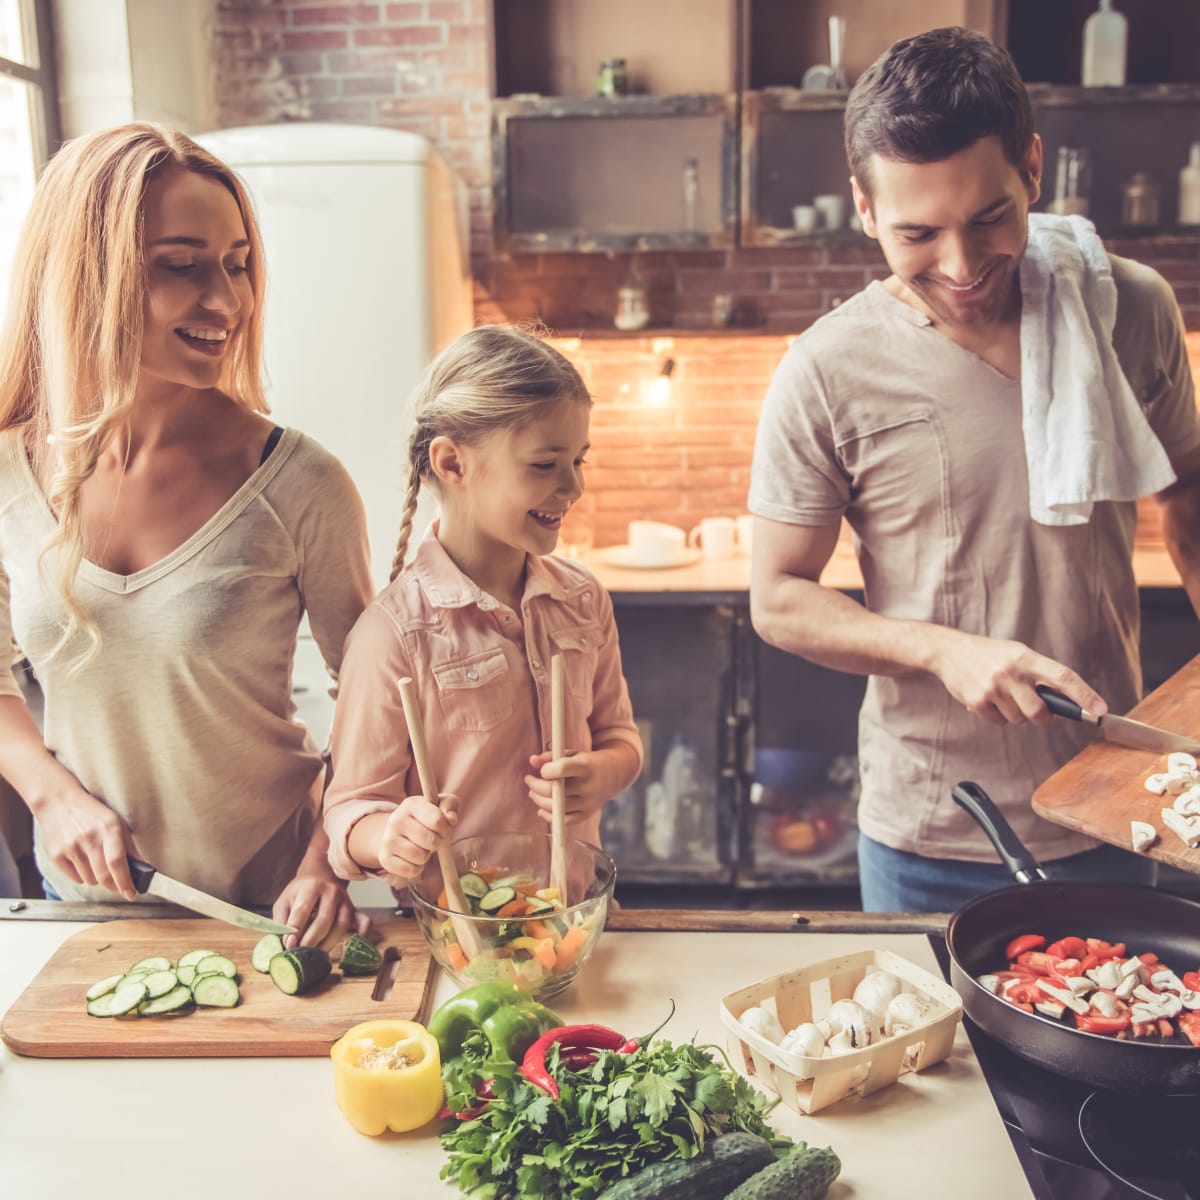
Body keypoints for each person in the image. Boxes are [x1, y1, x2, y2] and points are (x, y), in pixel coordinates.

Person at [748, 28, 1200, 912]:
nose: (961, 266)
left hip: (1114, 803)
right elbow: (778, 598)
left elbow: (1190, 495)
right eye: (919, 232)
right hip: (932, 825)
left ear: (1033, 168)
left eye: (990, 216)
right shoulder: (826, 367)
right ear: (866, 209)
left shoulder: (1128, 307)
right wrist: (940, 650)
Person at [0, 123, 375, 943]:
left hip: (274, 904)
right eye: (182, 267)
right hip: (87, 904)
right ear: (86, 277)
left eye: (239, 265)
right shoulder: (5, 473)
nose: (230, 301)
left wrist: (325, 862)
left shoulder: (302, 482)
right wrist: (52, 796)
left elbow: (374, 704)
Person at [323, 325, 643, 886]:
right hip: (460, 936)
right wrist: (388, 835)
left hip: (576, 918)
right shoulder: (391, 635)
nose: (572, 486)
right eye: (545, 465)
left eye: (578, 461)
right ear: (452, 464)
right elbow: (349, 811)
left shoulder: (583, 600)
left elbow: (621, 737)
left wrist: (604, 772)